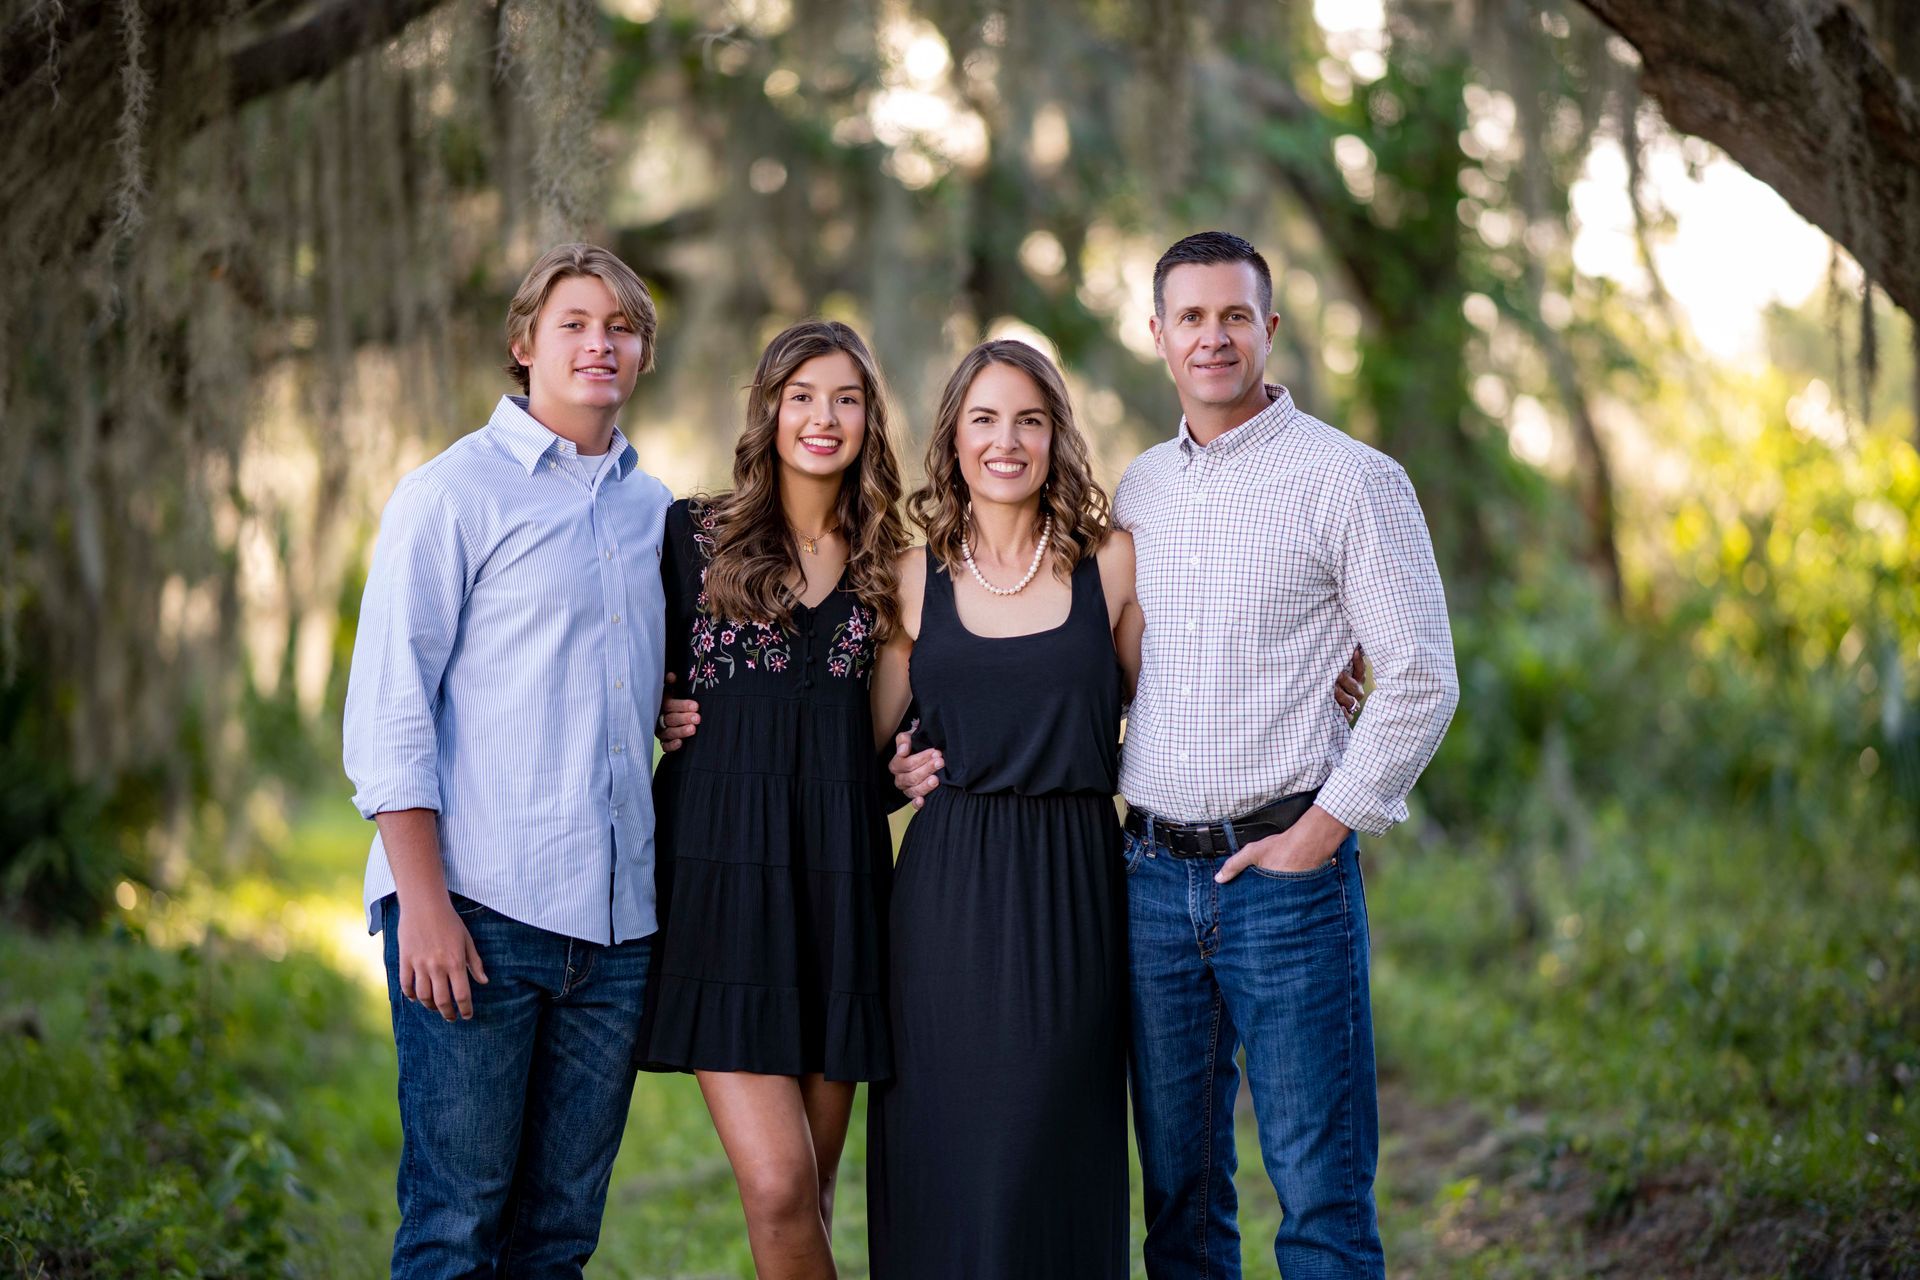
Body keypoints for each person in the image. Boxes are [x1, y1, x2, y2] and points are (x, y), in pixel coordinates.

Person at [893, 231, 1459, 1278]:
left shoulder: (1350, 478)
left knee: (1321, 1195)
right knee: (1181, 1206)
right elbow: (1094, 671)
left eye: (1233, 315)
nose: (1213, 336)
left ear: (1270, 329)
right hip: (1147, 884)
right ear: (1158, 336)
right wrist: (918, 752)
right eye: (1190, 317)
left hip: (1285, 879)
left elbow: (1421, 675)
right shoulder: (1137, 496)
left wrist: (1320, 829)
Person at [342, 242, 673, 1278]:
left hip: (615, 933)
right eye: (575, 322)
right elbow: (390, 707)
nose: (599, 344)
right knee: (456, 1225)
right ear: (524, 342)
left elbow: (617, 683)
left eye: (620, 326)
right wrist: (423, 902)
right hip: (477, 911)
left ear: (644, 352)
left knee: (559, 1238)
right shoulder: (451, 494)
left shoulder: (654, 510)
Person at [862, 338, 1142, 1278]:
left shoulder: (1112, 563)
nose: (1006, 441)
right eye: (984, 419)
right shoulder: (911, 577)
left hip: (1074, 887)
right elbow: (855, 744)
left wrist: (1335, 679)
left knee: (1052, 1147)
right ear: (954, 438)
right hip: (946, 899)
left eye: (1028, 418)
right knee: (951, 1151)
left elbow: (1189, 704)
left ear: (1057, 434)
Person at [643, 319, 908, 1280]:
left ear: (871, 417)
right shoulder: (690, 534)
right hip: (721, 888)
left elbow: (889, 739)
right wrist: (659, 713)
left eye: (845, 397)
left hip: (837, 892)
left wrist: (917, 765)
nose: (822, 417)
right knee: (781, 1190)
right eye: (801, 395)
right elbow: (613, 669)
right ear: (768, 409)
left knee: (819, 1193)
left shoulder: (897, 569)